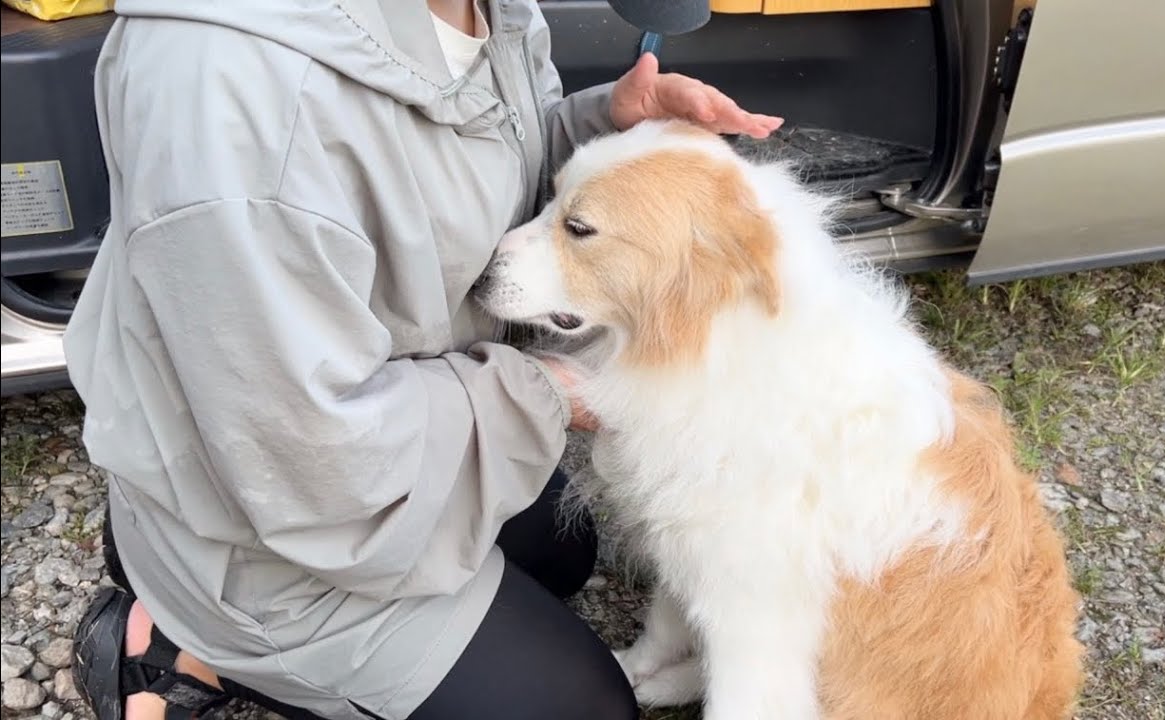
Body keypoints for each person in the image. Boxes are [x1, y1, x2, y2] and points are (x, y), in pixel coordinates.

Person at [61, 1, 781, 719]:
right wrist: (553, 392)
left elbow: (459, 166)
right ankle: (181, 647)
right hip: (266, 528)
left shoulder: (483, 8)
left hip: (374, 438)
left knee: (563, 547)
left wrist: (602, 132)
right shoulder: (233, 96)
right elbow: (311, 463)